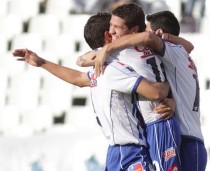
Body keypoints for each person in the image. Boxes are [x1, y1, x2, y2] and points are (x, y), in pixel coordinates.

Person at [12, 12, 172, 171]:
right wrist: (168, 89)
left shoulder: (104, 69)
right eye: (113, 28)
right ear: (108, 35)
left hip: (121, 151)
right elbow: (155, 92)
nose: (117, 32)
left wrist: (42, 63)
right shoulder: (112, 68)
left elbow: (79, 78)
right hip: (128, 150)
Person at [78, 3, 193, 171]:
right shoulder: (149, 46)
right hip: (152, 124)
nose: (111, 32)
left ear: (133, 30)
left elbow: (81, 61)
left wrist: (105, 50)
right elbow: (188, 47)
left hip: (159, 120)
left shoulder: (122, 51)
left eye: (116, 27)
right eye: (111, 26)